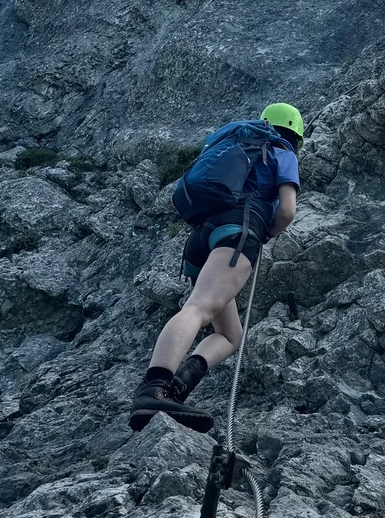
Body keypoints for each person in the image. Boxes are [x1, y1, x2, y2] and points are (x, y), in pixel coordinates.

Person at [128, 103, 304, 432]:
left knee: (230, 334)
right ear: (295, 136)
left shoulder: (236, 143)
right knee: (198, 308)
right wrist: (266, 234)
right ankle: (153, 388)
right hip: (239, 230)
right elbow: (288, 211)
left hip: (202, 237)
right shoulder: (283, 150)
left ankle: (174, 390)